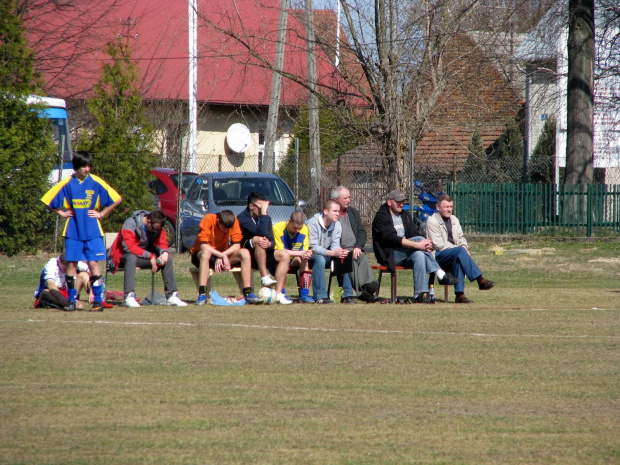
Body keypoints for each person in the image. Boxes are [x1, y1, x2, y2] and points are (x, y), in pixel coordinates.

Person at [41, 151, 122, 312]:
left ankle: (98, 301)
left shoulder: (95, 182)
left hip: (93, 231)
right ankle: (71, 301)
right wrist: (61, 213)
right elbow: (47, 199)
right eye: (84, 166)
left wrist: (102, 213)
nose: (87, 169)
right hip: (73, 231)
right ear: (76, 167)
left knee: (93, 263)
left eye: (89, 166)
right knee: (71, 264)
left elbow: (117, 198)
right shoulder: (67, 183)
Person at [372, 189, 459, 303]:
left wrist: (423, 245)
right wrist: (418, 244)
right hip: (390, 255)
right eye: (398, 201)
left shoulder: (405, 215)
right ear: (389, 202)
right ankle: (440, 273)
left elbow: (414, 233)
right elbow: (393, 239)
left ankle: (419, 295)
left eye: (403, 201)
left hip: (406, 253)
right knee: (420, 241)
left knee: (419, 254)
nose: (401, 204)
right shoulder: (381, 217)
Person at [108, 209, 188, 307]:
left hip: (144, 258)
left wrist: (165, 252)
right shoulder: (130, 224)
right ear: (148, 221)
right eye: (155, 229)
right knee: (131, 258)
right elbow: (128, 247)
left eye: (159, 229)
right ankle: (128, 296)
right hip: (121, 257)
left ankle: (172, 296)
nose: (156, 231)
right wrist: (150, 256)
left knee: (167, 260)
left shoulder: (158, 227)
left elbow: (162, 242)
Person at [426, 193, 495, 303]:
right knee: (459, 252)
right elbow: (438, 244)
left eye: (451, 207)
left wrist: (463, 245)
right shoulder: (432, 221)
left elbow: (461, 237)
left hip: (454, 253)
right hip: (437, 255)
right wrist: (459, 249)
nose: (449, 210)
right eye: (446, 207)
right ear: (438, 207)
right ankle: (480, 280)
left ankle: (459, 295)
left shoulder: (454, 220)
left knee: (458, 258)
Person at [189, 210, 262, 305]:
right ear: (218, 221)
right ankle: (202, 294)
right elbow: (203, 246)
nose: (226, 231)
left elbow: (237, 245)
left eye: (228, 229)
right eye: (224, 228)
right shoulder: (209, 219)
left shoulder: (234, 221)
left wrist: (223, 255)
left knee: (245, 253)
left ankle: (248, 293)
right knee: (206, 253)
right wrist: (222, 255)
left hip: (222, 256)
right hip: (202, 255)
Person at [237, 192, 293, 304]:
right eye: (260, 205)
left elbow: (272, 240)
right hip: (248, 257)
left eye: (265, 205)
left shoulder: (266, 218)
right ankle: (264, 276)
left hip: (264, 254)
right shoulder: (242, 218)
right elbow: (260, 232)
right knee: (259, 239)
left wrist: (270, 244)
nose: (264, 208)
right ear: (251, 206)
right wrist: (263, 214)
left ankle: (278, 294)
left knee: (284, 255)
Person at [331, 186, 382, 303]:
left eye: (349, 197)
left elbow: (362, 232)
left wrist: (358, 246)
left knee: (362, 257)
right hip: (339, 251)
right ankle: (363, 292)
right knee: (351, 262)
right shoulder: (332, 213)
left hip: (355, 249)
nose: (349, 200)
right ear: (336, 199)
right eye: (345, 198)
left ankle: (367, 286)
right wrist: (340, 249)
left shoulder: (353, 213)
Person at [307, 199, 353, 304]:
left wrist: (339, 251)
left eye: (338, 211)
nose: (338, 214)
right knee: (320, 259)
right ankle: (320, 297)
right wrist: (333, 253)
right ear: (326, 211)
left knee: (343, 256)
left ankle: (347, 296)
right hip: (308, 255)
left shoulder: (337, 225)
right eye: (335, 211)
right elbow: (313, 247)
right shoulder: (312, 223)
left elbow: (335, 245)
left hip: (325, 254)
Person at [273, 211, 314, 303]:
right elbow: (279, 251)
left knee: (304, 259)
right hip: (279, 259)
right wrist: (300, 253)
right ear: (289, 221)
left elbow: (304, 249)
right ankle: (281, 293)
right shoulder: (278, 228)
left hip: (294, 259)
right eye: (295, 227)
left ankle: (304, 295)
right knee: (284, 257)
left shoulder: (305, 229)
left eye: (300, 228)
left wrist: (306, 253)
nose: (297, 231)